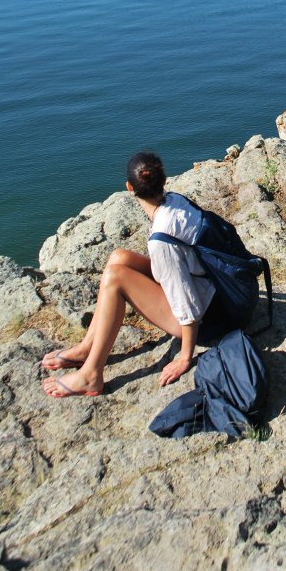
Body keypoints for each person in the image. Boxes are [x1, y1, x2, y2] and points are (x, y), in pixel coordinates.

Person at [41, 152, 218, 398]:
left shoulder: (161, 242)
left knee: (116, 278)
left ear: (129, 188)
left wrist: (184, 357)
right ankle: (85, 349)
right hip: (208, 284)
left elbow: (186, 305)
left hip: (208, 316)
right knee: (119, 258)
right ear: (165, 180)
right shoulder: (176, 202)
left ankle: (91, 375)